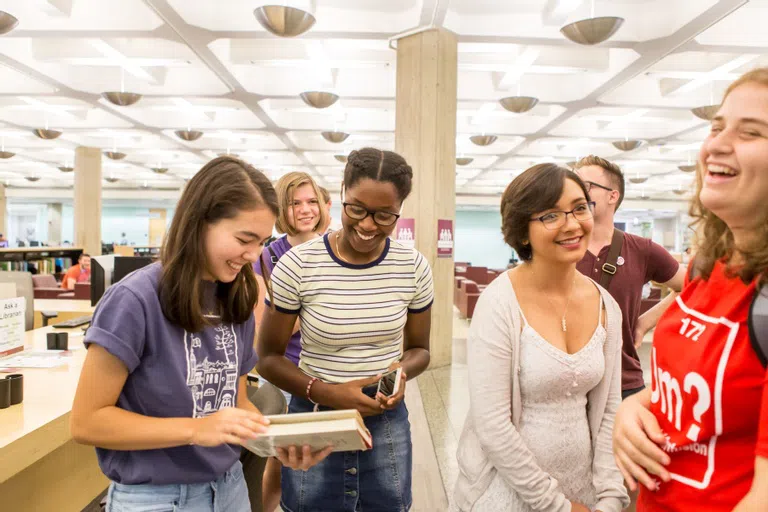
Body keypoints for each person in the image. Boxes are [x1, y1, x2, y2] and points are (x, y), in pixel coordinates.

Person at [69, 156, 331, 512]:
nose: (254, 254)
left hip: (230, 489)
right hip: (156, 499)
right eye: (244, 239)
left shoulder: (236, 298)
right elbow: (87, 421)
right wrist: (195, 429)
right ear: (200, 222)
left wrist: (276, 443)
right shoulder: (135, 300)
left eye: (262, 242)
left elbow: (235, 403)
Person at [612, 68, 768, 512]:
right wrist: (631, 409)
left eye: (751, 132)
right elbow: (679, 388)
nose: (716, 143)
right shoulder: (710, 267)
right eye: (717, 126)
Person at [257, 147, 434, 512]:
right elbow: (268, 358)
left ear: (400, 208)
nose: (368, 225)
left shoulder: (413, 266)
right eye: (356, 209)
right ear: (341, 195)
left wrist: (400, 372)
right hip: (314, 414)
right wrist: (329, 392)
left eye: (385, 215)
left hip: (385, 418)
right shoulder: (297, 265)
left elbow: (420, 350)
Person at [453, 164, 628, 512]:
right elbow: (493, 425)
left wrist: (610, 496)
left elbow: (610, 410)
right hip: (507, 491)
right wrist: (556, 506)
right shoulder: (500, 302)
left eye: (580, 208)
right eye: (551, 215)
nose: (572, 224)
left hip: (583, 488)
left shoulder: (606, 306)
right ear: (522, 231)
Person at [574, 156, 685, 400]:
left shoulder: (641, 250)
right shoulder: (562, 246)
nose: (578, 191)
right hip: (569, 382)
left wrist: (645, 322)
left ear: (612, 196)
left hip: (623, 382)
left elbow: (694, 286)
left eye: (587, 186)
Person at [253, 171, 328, 512]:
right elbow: (264, 329)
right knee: (280, 460)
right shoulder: (267, 258)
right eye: (295, 203)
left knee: (327, 457)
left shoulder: (336, 250)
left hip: (330, 371)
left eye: (312, 201)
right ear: (283, 208)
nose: (305, 210)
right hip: (285, 372)